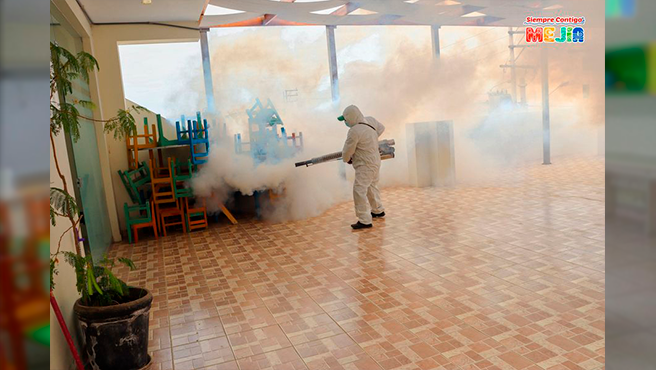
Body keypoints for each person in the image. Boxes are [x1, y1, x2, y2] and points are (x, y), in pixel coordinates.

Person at [338, 105, 386, 229]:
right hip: (375, 161)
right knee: (372, 186)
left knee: (359, 190)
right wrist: (371, 140)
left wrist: (346, 159)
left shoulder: (354, 131)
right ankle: (378, 210)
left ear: (351, 117)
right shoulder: (370, 121)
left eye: (345, 119)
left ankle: (364, 220)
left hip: (365, 165)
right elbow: (381, 128)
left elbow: (348, 150)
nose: (345, 122)